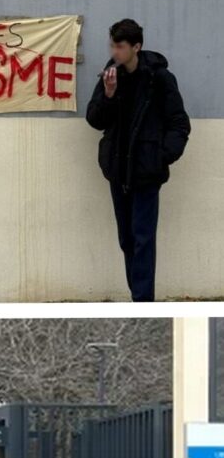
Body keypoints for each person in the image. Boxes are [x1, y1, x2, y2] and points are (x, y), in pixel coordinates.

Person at [86, 18, 190, 302]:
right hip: (119, 171)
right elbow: (94, 119)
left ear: (136, 47)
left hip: (146, 171)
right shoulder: (111, 76)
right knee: (127, 239)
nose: (114, 52)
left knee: (143, 239)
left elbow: (179, 124)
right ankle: (139, 298)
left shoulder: (159, 79)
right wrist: (108, 95)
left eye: (120, 46)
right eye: (112, 45)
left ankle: (142, 302)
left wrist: (161, 157)